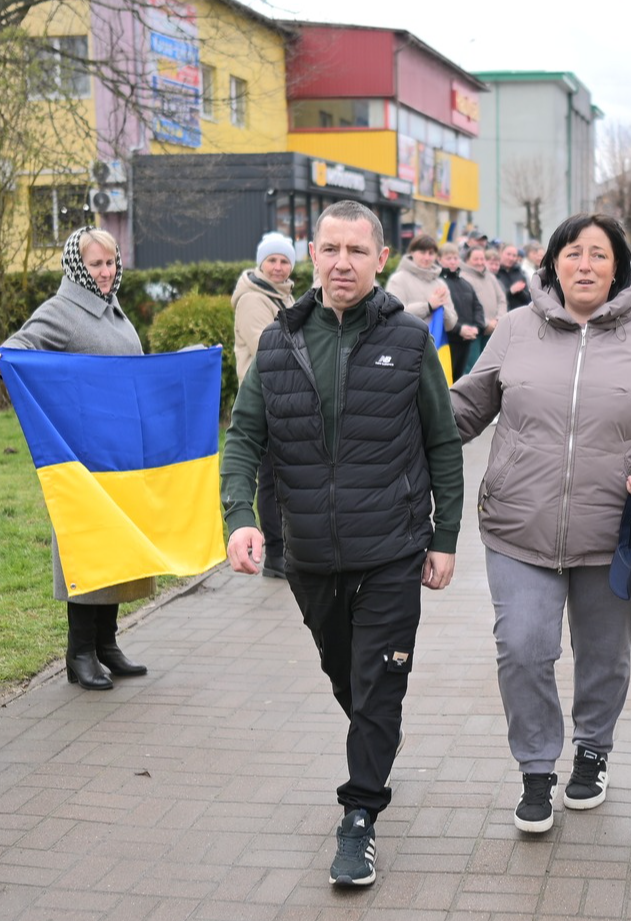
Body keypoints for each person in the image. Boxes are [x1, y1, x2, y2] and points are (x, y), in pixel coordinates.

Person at [221, 200, 464, 888]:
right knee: (348, 679)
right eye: (330, 249)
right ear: (312, 255)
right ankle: (376, 735)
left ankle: (359, 816)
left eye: (357, 250)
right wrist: (240, 517)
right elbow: (244, 438)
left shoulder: (409, 340)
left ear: (380, 258)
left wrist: (444, 537)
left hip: (391, 549)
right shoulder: (279, 342)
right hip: (309, 555)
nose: (342, 263)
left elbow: (443, 443)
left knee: (378, 684)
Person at [450, 213, 631, 836]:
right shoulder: (516, 328)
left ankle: (593, 749)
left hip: (614, 534)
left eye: (598, 254)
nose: (584, 265)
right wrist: (396, 413)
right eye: (572, 253)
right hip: (518, 524)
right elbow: (465, 408)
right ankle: (536, 769)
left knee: (604, 656)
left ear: (618, 268)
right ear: (553, 264)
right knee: (523, 649)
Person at [0, 227, 150, 692]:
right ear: (78, 267)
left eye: (111, 262)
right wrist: (3, 361)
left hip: (120, 456)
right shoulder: (62, 311)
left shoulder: (113, 310)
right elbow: (20, 347)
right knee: (87, 551)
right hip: (83, 460)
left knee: (116, 550)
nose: (106, 272)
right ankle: (79, 653)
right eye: (96, 264)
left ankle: (106, 644)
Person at [231, 232, 297, 578]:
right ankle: (275, 553)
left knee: (282, 476)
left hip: (284, 397)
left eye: (284, 261)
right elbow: (267, 349)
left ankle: (286, 548)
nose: (278, 267)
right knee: (270, 479)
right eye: (272, 260)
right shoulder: (253, 300)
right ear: (261, 263)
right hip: (264, 398)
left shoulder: (284, 296)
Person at [385, 235, 457, 332]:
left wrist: (442, 308)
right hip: (407, 339)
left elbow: (451, 324)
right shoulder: (398, 280)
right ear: (412, 252)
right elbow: (394, 316)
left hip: (435, 340)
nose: (427, 257)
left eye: (431, 253)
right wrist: (428, 306)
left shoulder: (440, 284)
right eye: (422, 253)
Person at [438, 243, 483, 382]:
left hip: (466, 339)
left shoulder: (465, 283)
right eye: (448, 258)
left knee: (460, 379)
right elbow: (442, 311)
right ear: (439, 260)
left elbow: (477, 306)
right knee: (446, 379)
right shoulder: (439, 283)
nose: (452, 261)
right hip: (448, 340)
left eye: (455, 258)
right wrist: (459, 329)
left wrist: (476, 327)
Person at [461, 245, 508, 374]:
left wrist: (499, 320)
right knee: (473, 368)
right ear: (467, 260)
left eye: (482, 259)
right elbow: (468, 306)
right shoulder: (463, 277)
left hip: (494, 330)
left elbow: (502, 299)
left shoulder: (490, 277)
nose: (480, 262)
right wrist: (487, 323)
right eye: (476, 259)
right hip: (475, 330)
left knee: (491, 368)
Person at [496, 244, 532, 311]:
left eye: (514, 256)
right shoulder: (495, 272)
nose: (511, 258)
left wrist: (520, 292)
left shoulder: (520, 273)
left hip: (519, 312)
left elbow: (528, 300)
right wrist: (510, 291)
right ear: (500, 253)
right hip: (502, 312)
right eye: (508, 254)